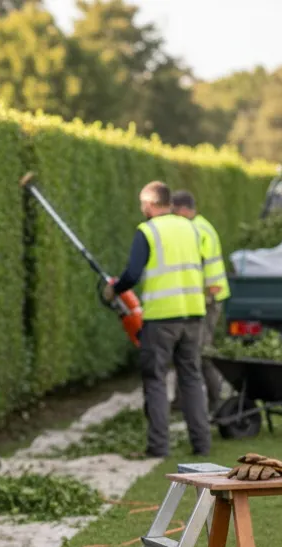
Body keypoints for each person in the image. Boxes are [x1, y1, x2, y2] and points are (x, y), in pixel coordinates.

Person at [101, 181, 210, 458]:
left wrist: (115, 289)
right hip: (194, 314)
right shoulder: (191, 227)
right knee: (191, 379)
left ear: (150, 204)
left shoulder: (147, 231)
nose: (141, 209)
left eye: (142, 204)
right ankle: (202, 444)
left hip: (162, 318)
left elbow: (133, 273)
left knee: (156, 380)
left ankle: (159, 447)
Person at [172, 190, 230, 412]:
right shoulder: (199, 226)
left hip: (208, 299)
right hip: (203, 298)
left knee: (201, 350)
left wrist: (206, 297)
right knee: (187, 347)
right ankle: (180, 401)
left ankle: (217, 399)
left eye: (175, 213)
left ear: (183, 210)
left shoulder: (196, 230)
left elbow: (203, 267)